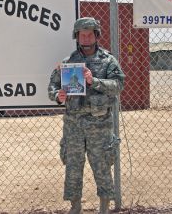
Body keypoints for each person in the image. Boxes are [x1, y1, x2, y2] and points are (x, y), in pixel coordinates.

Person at [48, 17, 125, 214]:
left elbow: (118, 86)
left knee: (101, 167)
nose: (86, 38)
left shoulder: (108, 61)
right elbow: (52, 87)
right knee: (73, 167)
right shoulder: (68, 63)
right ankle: (75, 207)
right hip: (73, 125)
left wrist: (94, 81)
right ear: (77, 36)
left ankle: (104, 207)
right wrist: (58, 95)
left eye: (90, 34)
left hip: (99, 124)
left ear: (96, 35)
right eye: (82, 35)